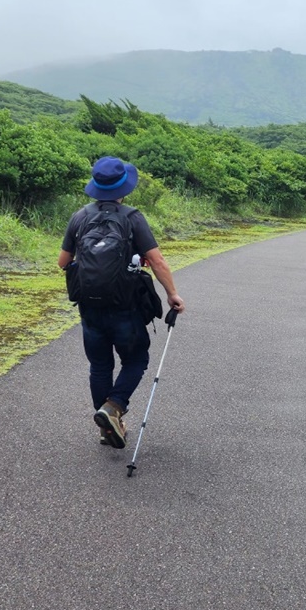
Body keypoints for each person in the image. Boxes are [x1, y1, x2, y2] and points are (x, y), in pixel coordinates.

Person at [59, 156, 185, 448]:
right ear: (123, 189)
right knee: (137, 359)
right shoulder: (131, 217)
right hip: (124, 307)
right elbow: (156, 260)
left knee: (100, 366)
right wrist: (172, 294)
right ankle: (114, 407)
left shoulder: (79, 217)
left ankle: (107, 428)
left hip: (90, 307)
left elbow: (63, 261)